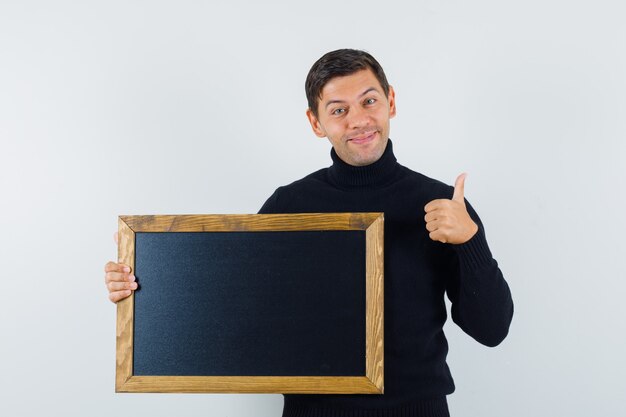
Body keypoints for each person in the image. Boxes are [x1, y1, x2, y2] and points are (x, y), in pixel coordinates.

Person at [104, 49, 514, 417]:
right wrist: (141, 284)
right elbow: (231, 307)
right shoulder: (289, 205)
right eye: (338, 110)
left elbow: (492, 330)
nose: (359, 120)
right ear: (315, 122)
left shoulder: (441, 205)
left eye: (369, 101)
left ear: (390, 101)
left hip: (417, 410)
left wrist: (470, 241)